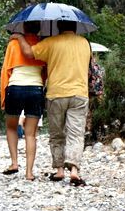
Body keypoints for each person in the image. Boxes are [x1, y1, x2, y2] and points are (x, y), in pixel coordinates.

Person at [13, 20, 92, 186]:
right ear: (76, 27)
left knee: (57, 134)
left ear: (58, 27)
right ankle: (75, 171)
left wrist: (20, 37)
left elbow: (29, 53)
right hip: (79, 93)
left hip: (56, 94)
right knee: (76, 133)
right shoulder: (85, 43)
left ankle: (59, 170)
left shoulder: (51, 42)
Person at [0, 21, 46, 181]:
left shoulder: (13, 44)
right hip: (35, 89)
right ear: (39, 28)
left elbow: (6, 70)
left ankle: (14, 163)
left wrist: (3, 96)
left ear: (24, 28)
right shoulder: (43, 44)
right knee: (31, 134)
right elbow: (45, 72)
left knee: (11, 127)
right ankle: (29, 172)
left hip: (15, 88)